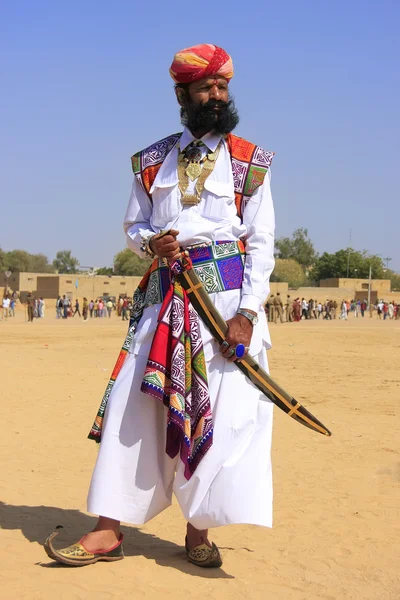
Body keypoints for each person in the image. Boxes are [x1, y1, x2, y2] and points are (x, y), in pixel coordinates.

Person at [45, 43, 276, 568]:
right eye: (205, 88)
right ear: (182, 94)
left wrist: (247, 313)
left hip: (225, 308)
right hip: (163, 300)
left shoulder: (250, 162)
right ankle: (108, 529)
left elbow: (262, 243)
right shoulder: (150, 161)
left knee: (217, 415)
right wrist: (153, 244)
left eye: (222, 86)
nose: (216, 95)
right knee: (134, 407)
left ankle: (198, 533)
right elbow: (134, 227)